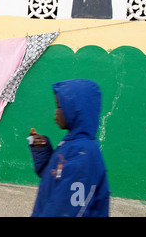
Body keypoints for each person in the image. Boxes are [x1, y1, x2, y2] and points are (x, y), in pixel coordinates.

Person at [28, 79, 110, 217]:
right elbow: (52, 176)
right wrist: (42, 150)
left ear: (76, 109)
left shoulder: (82, 154)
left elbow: (66, 210)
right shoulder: (71, 143)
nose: (56, 112)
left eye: (59, 106)